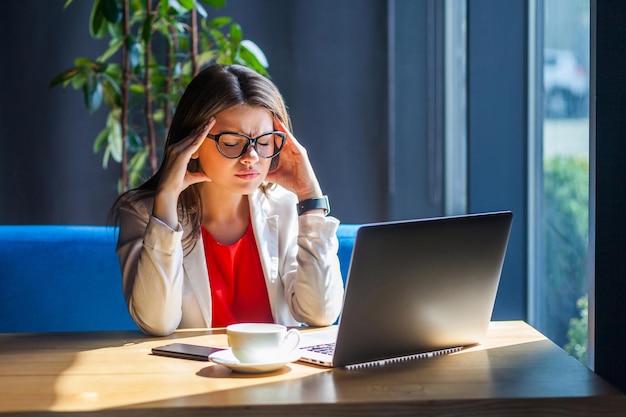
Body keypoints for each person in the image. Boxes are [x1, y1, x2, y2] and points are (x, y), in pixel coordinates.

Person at [111, 64, 344, 336]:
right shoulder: (143, 212)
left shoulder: (286, 206)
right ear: (191, 145)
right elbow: (157, 323)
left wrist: (310, 198)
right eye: (232, 142)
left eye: (265, 141)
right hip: (191, 375)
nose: (252, 157)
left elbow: (321, 313)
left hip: (277, 373)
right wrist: (166, 199)